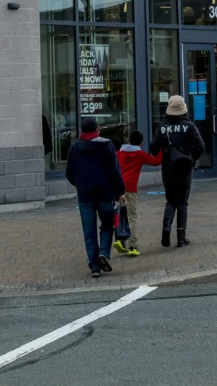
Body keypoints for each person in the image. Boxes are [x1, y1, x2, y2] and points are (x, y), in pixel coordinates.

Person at [65, 116, 126, 277]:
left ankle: (94, 267)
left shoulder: (75, 147)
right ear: (97, 129)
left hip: (85, 196)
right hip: (106, 193)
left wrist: (80, 185)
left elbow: (69, 173)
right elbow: (115, 171)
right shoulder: (107, 145)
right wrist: (120, 191)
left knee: (89, 231)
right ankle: (104, 253)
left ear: (82, 131)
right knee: (107, 225)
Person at [150, 95, 205, 248]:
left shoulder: (162, 127)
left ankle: (166, 228)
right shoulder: (189, 126)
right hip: (184, 167)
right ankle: (181, 237)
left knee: (170, 200)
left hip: (168, 167)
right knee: (182, 202)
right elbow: (200, 146)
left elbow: (153, 149)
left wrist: (164, 149)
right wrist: (192, 158)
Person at [114, 130, 162, 257]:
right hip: (130, 188)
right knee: (132, 216)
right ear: (141, 143)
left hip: (118, 188)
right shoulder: (140, 154)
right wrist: (162, 149)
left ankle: (119, 239)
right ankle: (132, 245)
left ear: (128, 140)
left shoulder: (119, 153)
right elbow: (156, 161)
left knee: (120, 213)